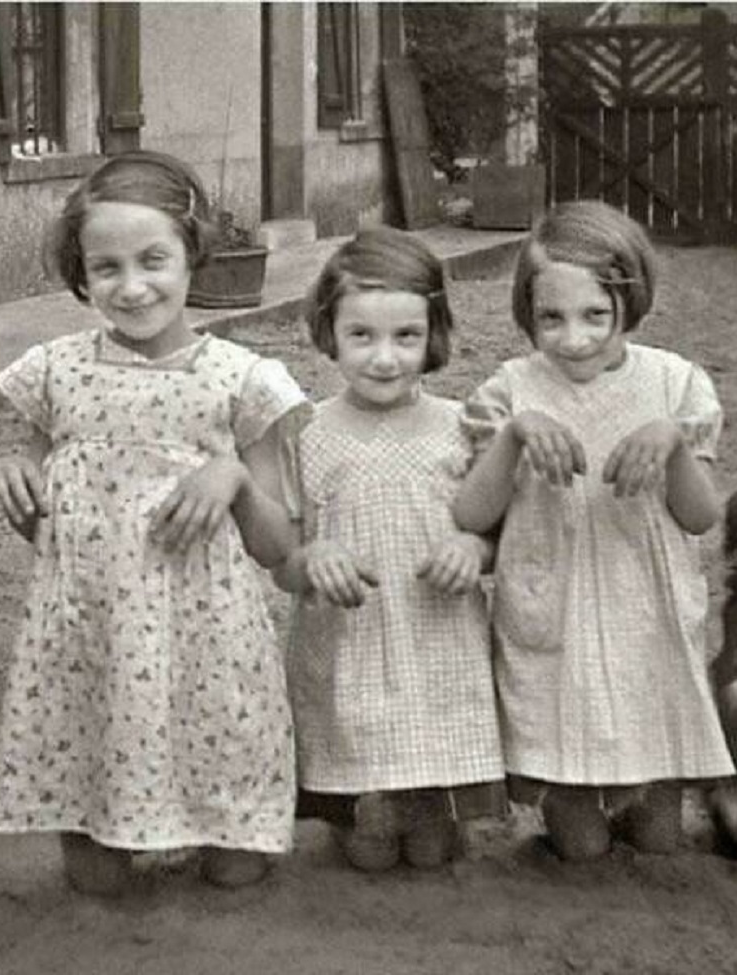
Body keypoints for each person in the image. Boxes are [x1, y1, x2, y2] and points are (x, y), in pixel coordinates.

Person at [0, 150, 308, 895]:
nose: (132, 287)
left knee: (235, 869)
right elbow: (40, 511)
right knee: (94, 877)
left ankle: (218, 813)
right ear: (81, 272)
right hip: (92, 635)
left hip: (207, 643)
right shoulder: (56, 371)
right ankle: (103, 815)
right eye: (106, 268)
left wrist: (231, 478)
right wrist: (12, 474)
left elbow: (278, 547)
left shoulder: (242, 381)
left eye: (153, 259)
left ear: (192, 251)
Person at [452, 201, 734, 861]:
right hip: (555, 607)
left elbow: (700, 516)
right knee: (579, 844)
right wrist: (516, 438)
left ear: (629, 305)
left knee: (660, 838)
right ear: (527, 311)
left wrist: (672, 442)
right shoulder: (508, 391)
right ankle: (569, 820)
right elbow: (471, 515)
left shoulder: (675, 385)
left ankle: (651, 809)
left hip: (647, 607)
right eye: (551, 317)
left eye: (595, 317)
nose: (573, 337)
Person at [272, 227, 506, 872]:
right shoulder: (305, 434)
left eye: (406, 336)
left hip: (437, 643)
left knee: (431, 850)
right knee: (369, 852)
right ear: (329, 332)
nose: (384, 358)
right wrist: (312, 560)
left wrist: (471, 548)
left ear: (434, 333)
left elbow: (495, 536)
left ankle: (432, 814)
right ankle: (356, 811)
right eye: (362, 336)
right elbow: (282, 560)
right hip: (349, 646)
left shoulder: (464, 427)